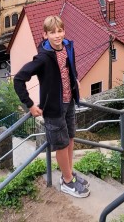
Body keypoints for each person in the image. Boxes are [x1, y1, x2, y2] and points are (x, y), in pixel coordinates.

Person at [13, 15, 90, 198]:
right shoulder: (42, 58)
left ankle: (68, 173)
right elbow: (18, 79)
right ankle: (67, 182)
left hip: (69, 101)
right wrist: (30, 105)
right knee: (61, 145)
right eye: (53, 32)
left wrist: (75, 80)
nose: (57, 35)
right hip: (53, 108)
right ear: (45, 35)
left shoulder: (67, 46)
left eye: (60, 31)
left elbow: (69, 67)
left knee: (70, 138)